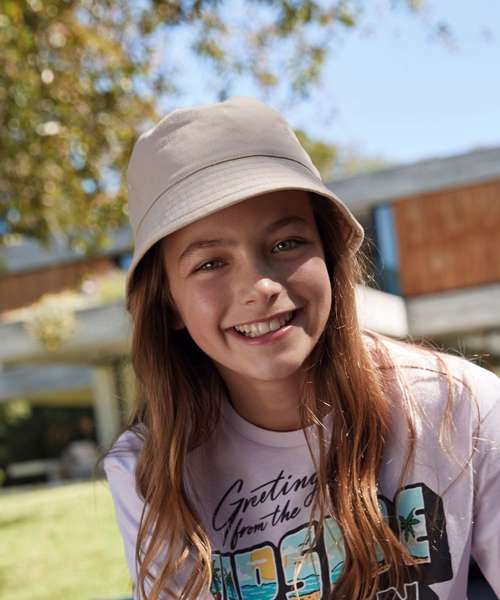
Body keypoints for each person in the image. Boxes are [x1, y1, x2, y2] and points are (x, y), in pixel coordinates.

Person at [101, 97, 500, 600]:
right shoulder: (147, 469)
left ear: (329, 256)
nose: (260, 287)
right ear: (169, 303)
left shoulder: (462, 406)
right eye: (210, 264)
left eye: (286, 243)